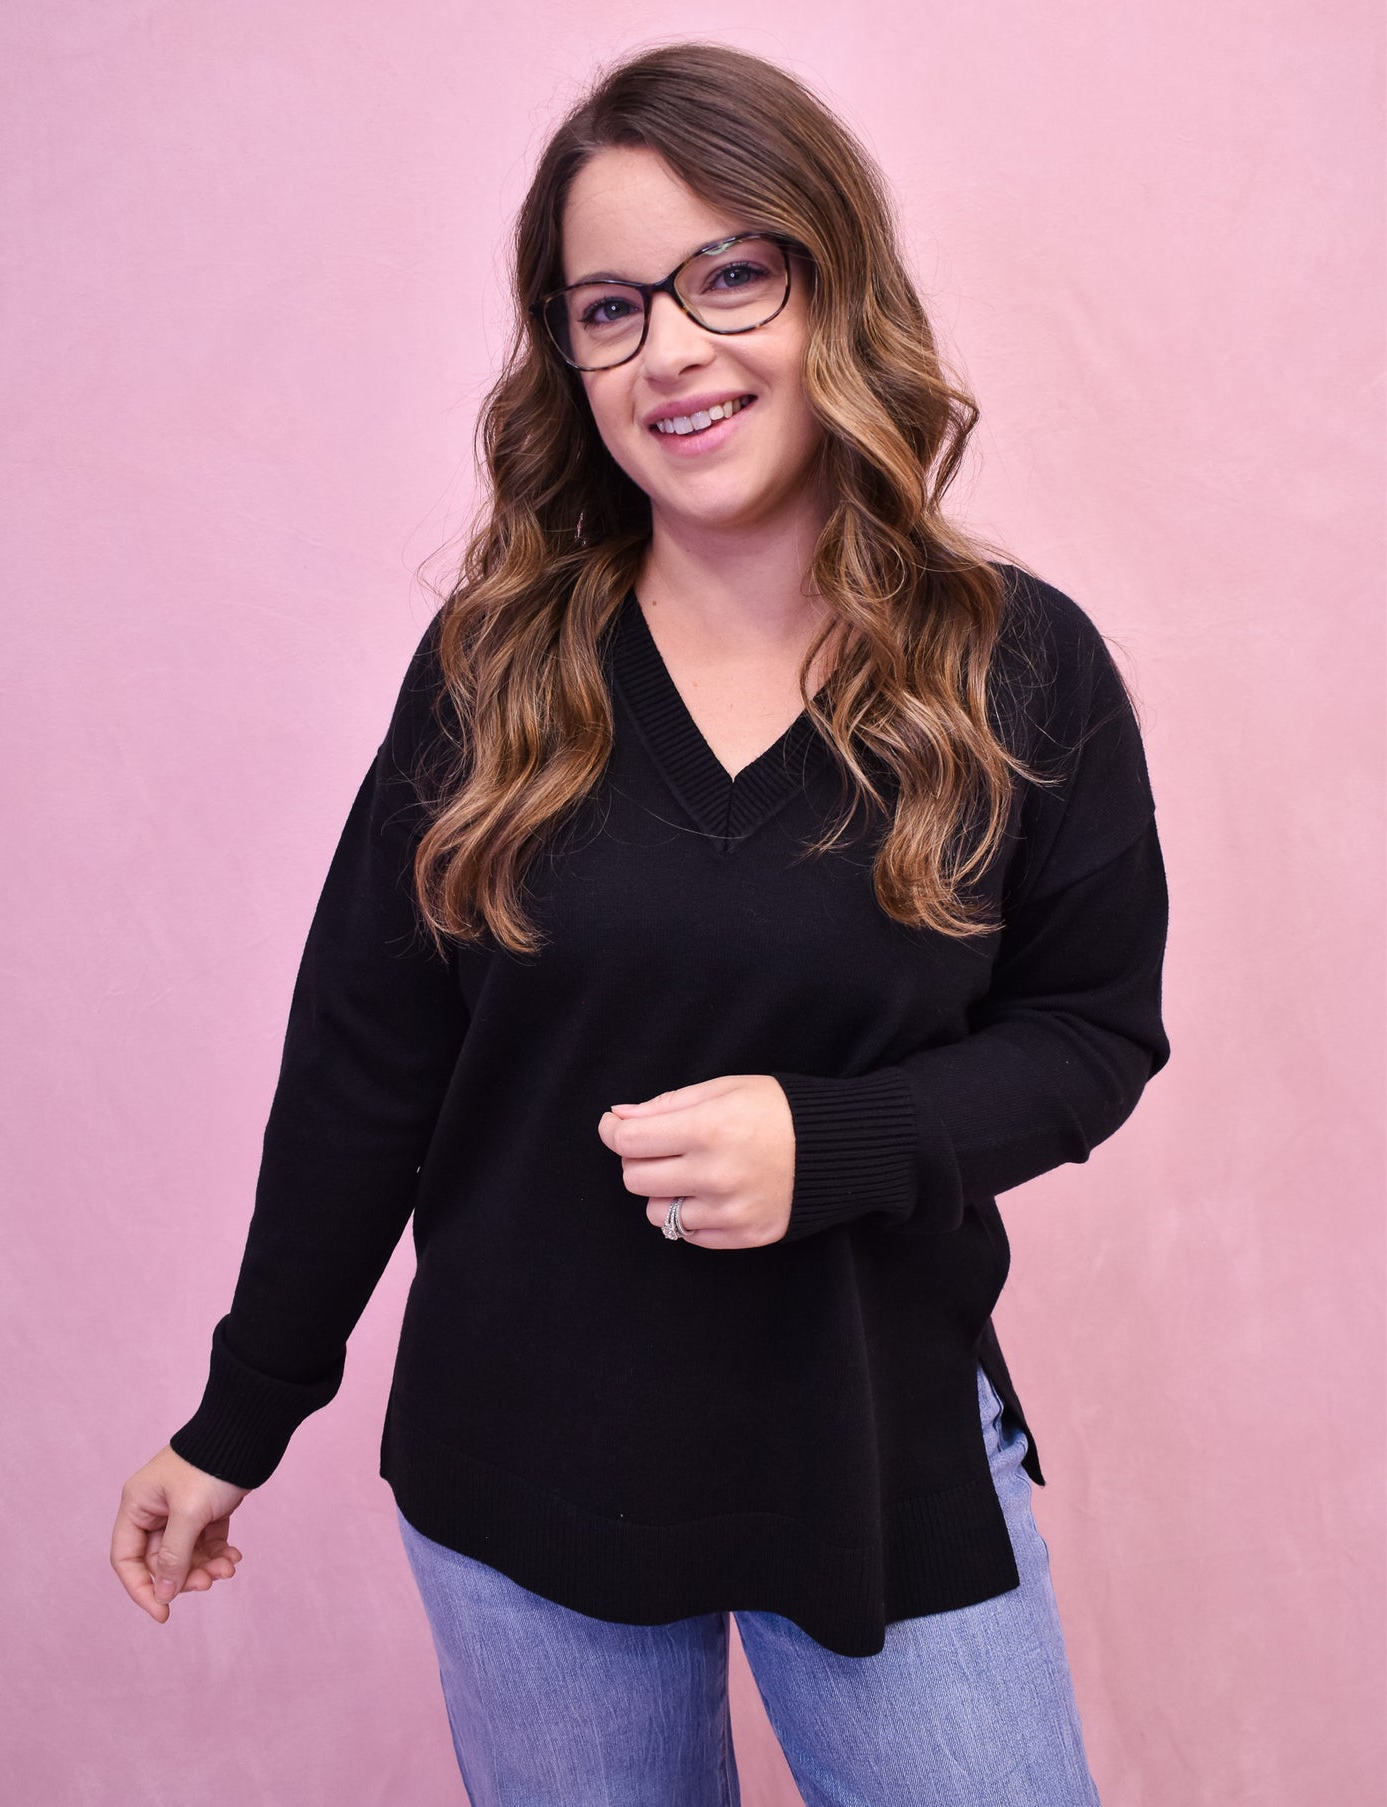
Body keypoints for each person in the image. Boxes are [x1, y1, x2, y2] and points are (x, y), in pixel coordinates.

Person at [110, 40, 1170, 1807]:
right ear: (570, 355)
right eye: (609, 308)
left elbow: (1090, 1037)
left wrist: (827, 1140)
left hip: (873, 1448)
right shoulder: (491, 673)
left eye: (729, 273)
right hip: (521, 1474)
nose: (670, 346)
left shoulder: (1022, 664)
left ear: (833, 286)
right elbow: (362, 1072)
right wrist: (239, 1414)